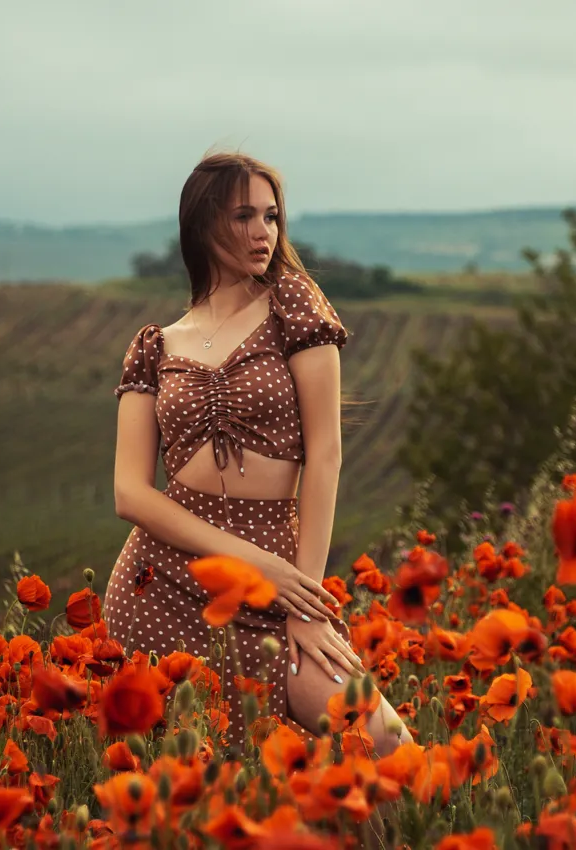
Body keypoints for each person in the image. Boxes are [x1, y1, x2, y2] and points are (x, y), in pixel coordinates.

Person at [102, 150, 412, 757]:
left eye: (271, 216)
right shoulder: (154, 346)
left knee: (386, 749)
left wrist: (305, 600)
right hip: (160, 587)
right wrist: (250, 561)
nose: (263, 232)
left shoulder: (295, 306)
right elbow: (130, 493)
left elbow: (325, 456)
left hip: (282, 586)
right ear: (202, 224)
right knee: (200, 792)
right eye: (244, 215)